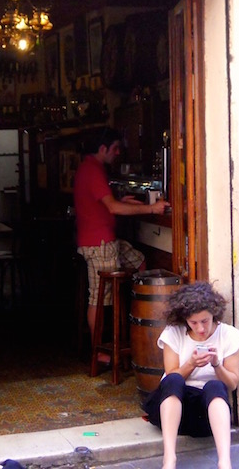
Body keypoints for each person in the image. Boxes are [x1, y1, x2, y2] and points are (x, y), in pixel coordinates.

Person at [73, 127, 168, 356]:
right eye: (115, 149)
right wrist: (151, 207)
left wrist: (122, 200)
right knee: (98, 296)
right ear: (103, 148)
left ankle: (136, 326)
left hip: (106, 241)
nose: (118, 153)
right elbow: (113, 208)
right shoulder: (93, 170)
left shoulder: (90, 168)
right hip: (99, 243)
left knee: (140, 262)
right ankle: (99, 351)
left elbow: (107, 204)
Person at [142, 282, 239, 469]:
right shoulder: (173, 333)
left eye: (205, 321)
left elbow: (232, 384)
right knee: (173, 379)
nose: (200, 328)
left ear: (214, 314)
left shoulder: (229, 335)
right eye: (194, 322)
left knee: (215, 386)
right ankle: (169, 459)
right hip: (173, 410)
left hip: (206, 414)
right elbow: (170, 375)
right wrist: (190, 364)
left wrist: (217, 365)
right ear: (185, 320)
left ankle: (225, 462)